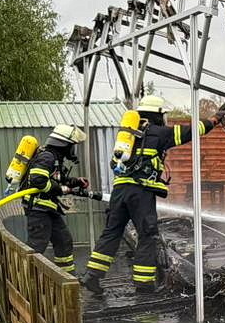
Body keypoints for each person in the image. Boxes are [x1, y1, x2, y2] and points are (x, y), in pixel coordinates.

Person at [83, 94, 216, 297]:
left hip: (119, 191)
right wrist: (213, 121)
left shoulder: (127, 135)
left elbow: (114, 164)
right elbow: (190, 132)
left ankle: (92, 275)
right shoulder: (158, 133)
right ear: (157, 115)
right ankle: (144, 285)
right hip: (140, 192)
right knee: (147, 235)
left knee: (111, 232)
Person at [22, 124, 88, 271]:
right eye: (72, 146)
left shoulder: (55, 158)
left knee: (64, 241)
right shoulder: (47, 156)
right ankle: (26, 279)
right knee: (36, 246)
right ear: (64, 144)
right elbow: (38, 180)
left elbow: (58, 178)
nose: (73, 150)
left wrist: (75, 181)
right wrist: (62, 189)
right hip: (39, 209)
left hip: (48, 209)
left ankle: (67, 279)